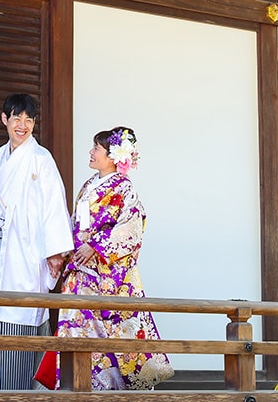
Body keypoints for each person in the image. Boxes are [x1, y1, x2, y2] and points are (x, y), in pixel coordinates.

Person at [0, 93, 73, 390]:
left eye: (28, 120)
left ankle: (11, 391)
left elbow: (54, 206)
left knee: (16, 312)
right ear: (4, 119)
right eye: (16, 118)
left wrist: (55, 252)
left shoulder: (41, 159)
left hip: (24, 255)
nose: (22, 125)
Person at [56, 126, 174, 390]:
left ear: (112, 155)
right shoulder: (89, 185)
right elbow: (76, 223)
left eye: (96, 148)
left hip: (103, 274)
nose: (91, 152)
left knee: (107, 334)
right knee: (75, 328)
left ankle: (108, 389)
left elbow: (132, 226)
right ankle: (76, 386)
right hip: (80, 273)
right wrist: (65, 251)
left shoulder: (124, 188)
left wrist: (97, 247)